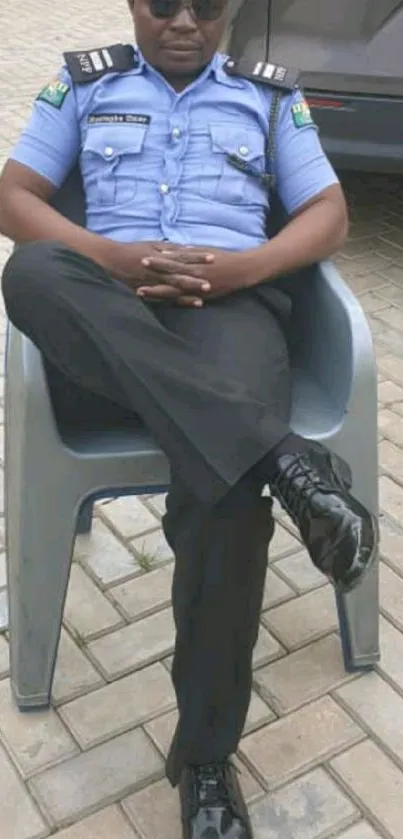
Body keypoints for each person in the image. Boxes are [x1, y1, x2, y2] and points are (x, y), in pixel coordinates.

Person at [0, 1, 378, 837]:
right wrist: (115, 259)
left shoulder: (268, 98)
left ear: (230, 11)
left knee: (226, 499)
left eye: (204, 5)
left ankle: (205, 759)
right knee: (31, 273)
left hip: (229, 314)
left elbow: (328, 213)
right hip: (110, 313)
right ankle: (283, 457)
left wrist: (249, 265)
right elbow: (15, 197)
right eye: (162, 2)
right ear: (134, 4)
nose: (182, 21)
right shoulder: (82, 84)